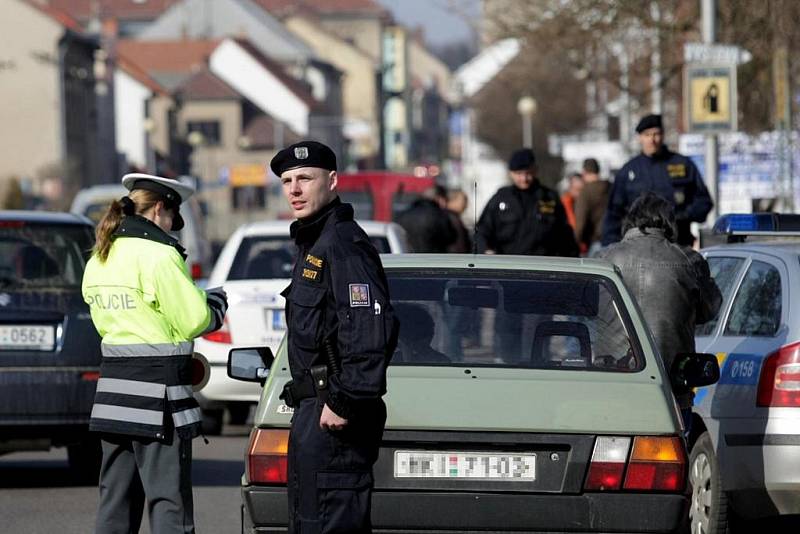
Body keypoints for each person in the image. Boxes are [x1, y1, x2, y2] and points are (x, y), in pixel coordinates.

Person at [82, 173, 229, 534]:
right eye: (171, 219)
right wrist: (216, 305)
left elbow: (103, 321)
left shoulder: (101, 255)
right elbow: (194, 319)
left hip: (113, 397)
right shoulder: (160, 255)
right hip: (158, 401)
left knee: (115, 503)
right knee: (169, 505)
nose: (172, 228)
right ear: (160, 209)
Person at [271, 141, 399, 533]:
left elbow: (369, 330)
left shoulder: (343, 244)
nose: (294, 189)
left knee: (330, 524)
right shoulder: (316, 243)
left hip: (335, 416)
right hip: (315, 411)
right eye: (287, 181)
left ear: (332, 181)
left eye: (304, 179)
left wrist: (343, 401)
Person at [597, 192, 721, 435]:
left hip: (614, 380)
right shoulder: (687, 259)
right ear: (669, 223)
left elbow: (584, 311)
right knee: (674, 457)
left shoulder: (604, 258)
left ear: (631, 221)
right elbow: (710, 310)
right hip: (672, 385)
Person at [601, 114, 713, 247]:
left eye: (656, 134)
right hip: (637, 246)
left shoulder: (682, 165)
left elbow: (704, 201)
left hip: (677, 243)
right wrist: (610, 247)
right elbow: (613, 214)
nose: (652, 140)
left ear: (663, 135)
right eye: (647, 135)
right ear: (640, 138)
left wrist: (681, 216)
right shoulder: (628, 171)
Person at [476, 148, 579, 257]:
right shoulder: (501, 198)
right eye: (519, 174)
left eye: (528, 173)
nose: (524, 178)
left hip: (543, 266)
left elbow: (565, 236)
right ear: (511, 173)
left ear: (535, 170)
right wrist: (485, 250)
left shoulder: (549, 198)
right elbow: (482, 230)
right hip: (507, 266)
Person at [394, 185, 456, 252]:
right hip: (434, 258)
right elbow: (450, 237)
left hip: (409, 257)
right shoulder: (438, 215)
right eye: (445, 200)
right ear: (439, 199)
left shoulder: (406, 213)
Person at [574, 158, 610, 255]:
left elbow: (580, 222)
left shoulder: (586, 192)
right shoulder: (611, 187)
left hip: (594, 243)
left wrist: (574, 244)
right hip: (614, 241)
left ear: (584, 172)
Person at [445, 189, 472, 253]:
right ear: (453, 200)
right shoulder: (450, 219)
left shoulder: (454, 217)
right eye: (464, 200)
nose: (466, 204)